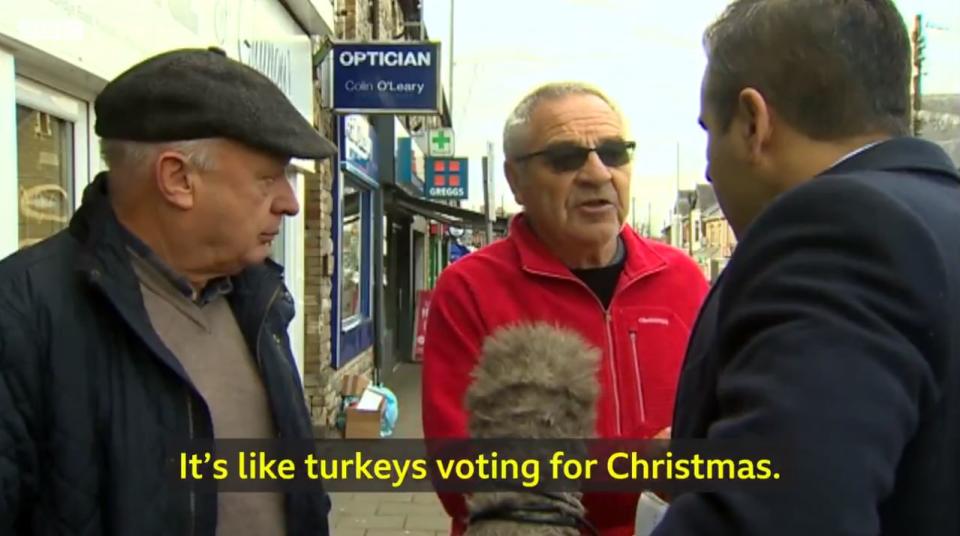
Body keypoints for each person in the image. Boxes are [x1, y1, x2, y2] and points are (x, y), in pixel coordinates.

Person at [0, 47, 338, 535]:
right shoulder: (23, 317)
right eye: (268, 178)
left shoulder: (260, 303)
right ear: (178, 178)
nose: (288, 203)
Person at [653, 1, 960, 534]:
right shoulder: (937, 217)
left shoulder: (840, 233)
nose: (708, 165)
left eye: (710, 131)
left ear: (753, 122)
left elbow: (780, 511)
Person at [422, 82, 710, 535]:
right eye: (566, 157)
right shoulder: (469, 289)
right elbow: (459, 474)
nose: (598, 173)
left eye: (614, 153)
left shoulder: (684, 278)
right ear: (516, 180)